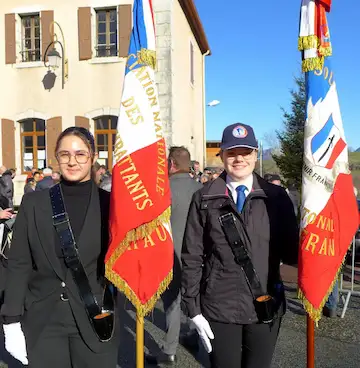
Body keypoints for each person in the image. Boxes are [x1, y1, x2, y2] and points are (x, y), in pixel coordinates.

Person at [181, 123, 299, 368]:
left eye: (245, 152)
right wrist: (192, 308)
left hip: (265, 306)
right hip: (220, 307)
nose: (239, 159)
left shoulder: (276, 198)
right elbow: (192, 255)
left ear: (256, 154)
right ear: (222, 155)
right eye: (232, 152)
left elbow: (292, 253)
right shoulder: (204, 198)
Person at [1, 127, 118, 367]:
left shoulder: (112, 206)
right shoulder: (34, 203)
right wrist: (11, 319)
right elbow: (19, 262)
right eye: (65, 154)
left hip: (94, 317)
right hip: (43, 320)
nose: (72, 161)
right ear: (56, 157)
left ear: (93, 157)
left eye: (80, 154)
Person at [146, 146, 202, 365]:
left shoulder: (164, 189)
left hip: (171, 254)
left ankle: (169, 350)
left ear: (171, 164)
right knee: (193, 296)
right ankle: (192, 335)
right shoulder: (201, 188)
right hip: (198, 255)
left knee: (172, 302)